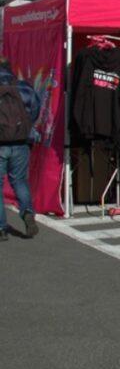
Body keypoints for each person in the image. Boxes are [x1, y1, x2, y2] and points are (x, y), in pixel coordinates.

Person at [0, 59, 40, 241]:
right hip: (21, 141)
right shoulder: (23, 87)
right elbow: (35, 110)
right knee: (19, 181)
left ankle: (1, 228)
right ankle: (27, 212)